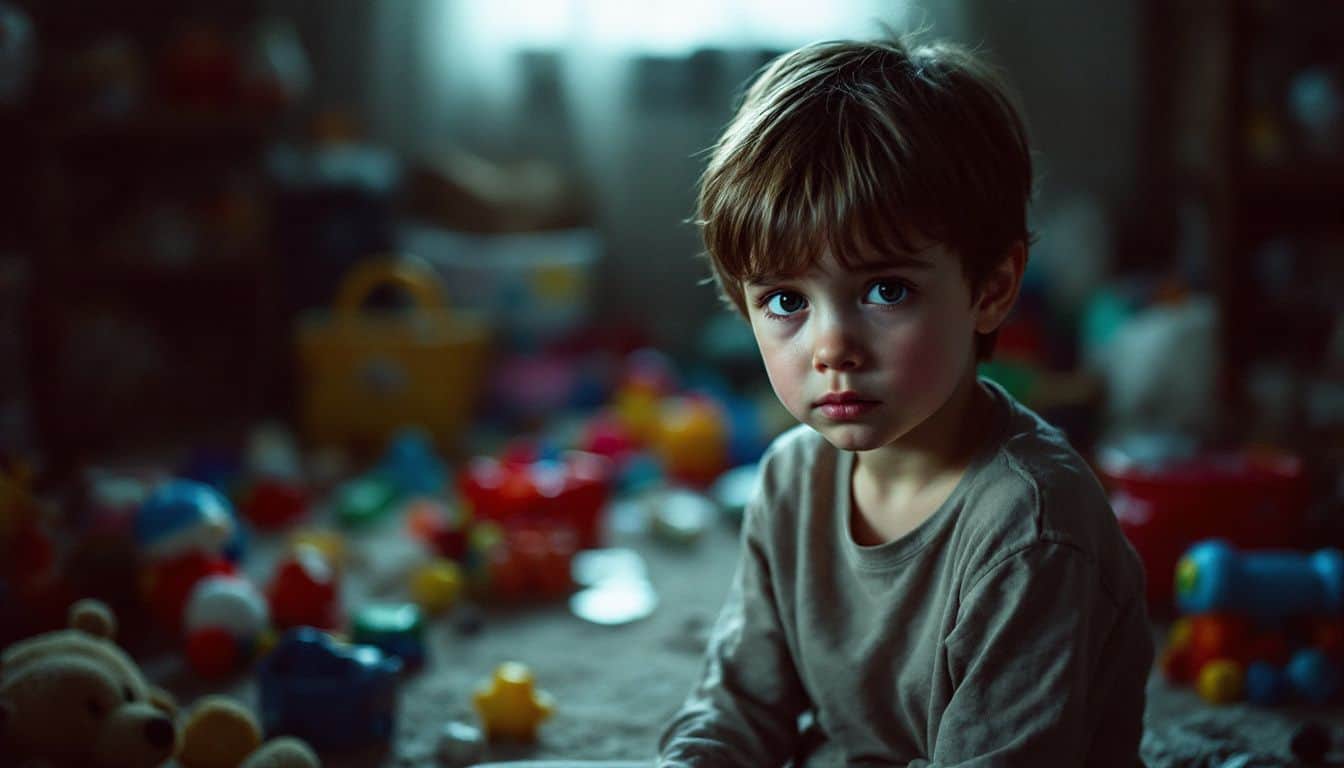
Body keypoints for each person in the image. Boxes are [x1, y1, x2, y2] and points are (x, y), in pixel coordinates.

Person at [656, 35, 1154, 766]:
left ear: (991, 287)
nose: (832, 347)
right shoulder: (791, 481)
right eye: (787, 299)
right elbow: (741, 704)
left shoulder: (1029, 530)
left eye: (886, 290)